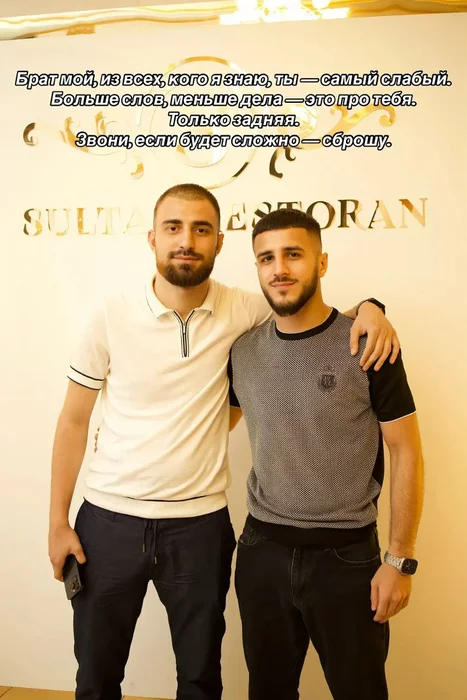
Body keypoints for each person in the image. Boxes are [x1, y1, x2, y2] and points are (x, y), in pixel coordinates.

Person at [48, 184, 400, 700]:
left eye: (201, 229)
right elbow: (73, 421)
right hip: (107, 523)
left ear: (218, 242)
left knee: (199, 679)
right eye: (173, 227)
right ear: (152, 238)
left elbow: (310, 316)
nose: (186, 240)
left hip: (199, 527)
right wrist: (58, 522)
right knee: (96, 679)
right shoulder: (108, 312)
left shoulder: (244, 310)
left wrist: (372, 307)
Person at [229, 208, 424, 700]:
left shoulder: (368, 344)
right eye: (266, 258)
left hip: (347, 559)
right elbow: (210, 422)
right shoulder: (242, 352)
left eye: (293, 254)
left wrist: (399, 559)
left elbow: (406, 451)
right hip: (261, 552)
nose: (279, 269)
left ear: (322, 262)